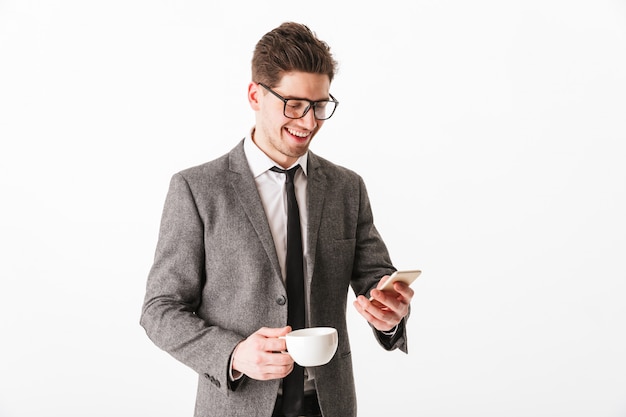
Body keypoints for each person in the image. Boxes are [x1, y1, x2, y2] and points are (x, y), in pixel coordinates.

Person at [140, 21, 414, 417]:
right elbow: (160, 309)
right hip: (237, 404)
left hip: (328, 404)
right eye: (294, 104)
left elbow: (376, 280)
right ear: (255, 94)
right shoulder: (197, 189)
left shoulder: (346, 188)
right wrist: (233, 354)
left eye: (319, 106)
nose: (308, 122)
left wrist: (389, 312)